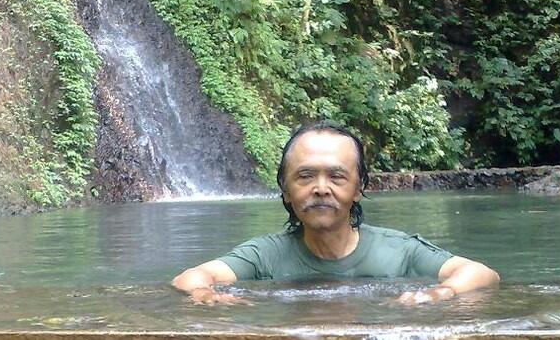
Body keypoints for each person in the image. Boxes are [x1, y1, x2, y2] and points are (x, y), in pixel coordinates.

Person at [171, 124, 499, 304]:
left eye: (337, 176)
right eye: (305, 176)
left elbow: (481, 273)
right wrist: (205, 294)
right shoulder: (266, 255)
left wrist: (442, 291)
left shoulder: (397, 251)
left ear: (358, 188)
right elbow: (190, 277)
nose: (321, 188)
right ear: (285, 190)